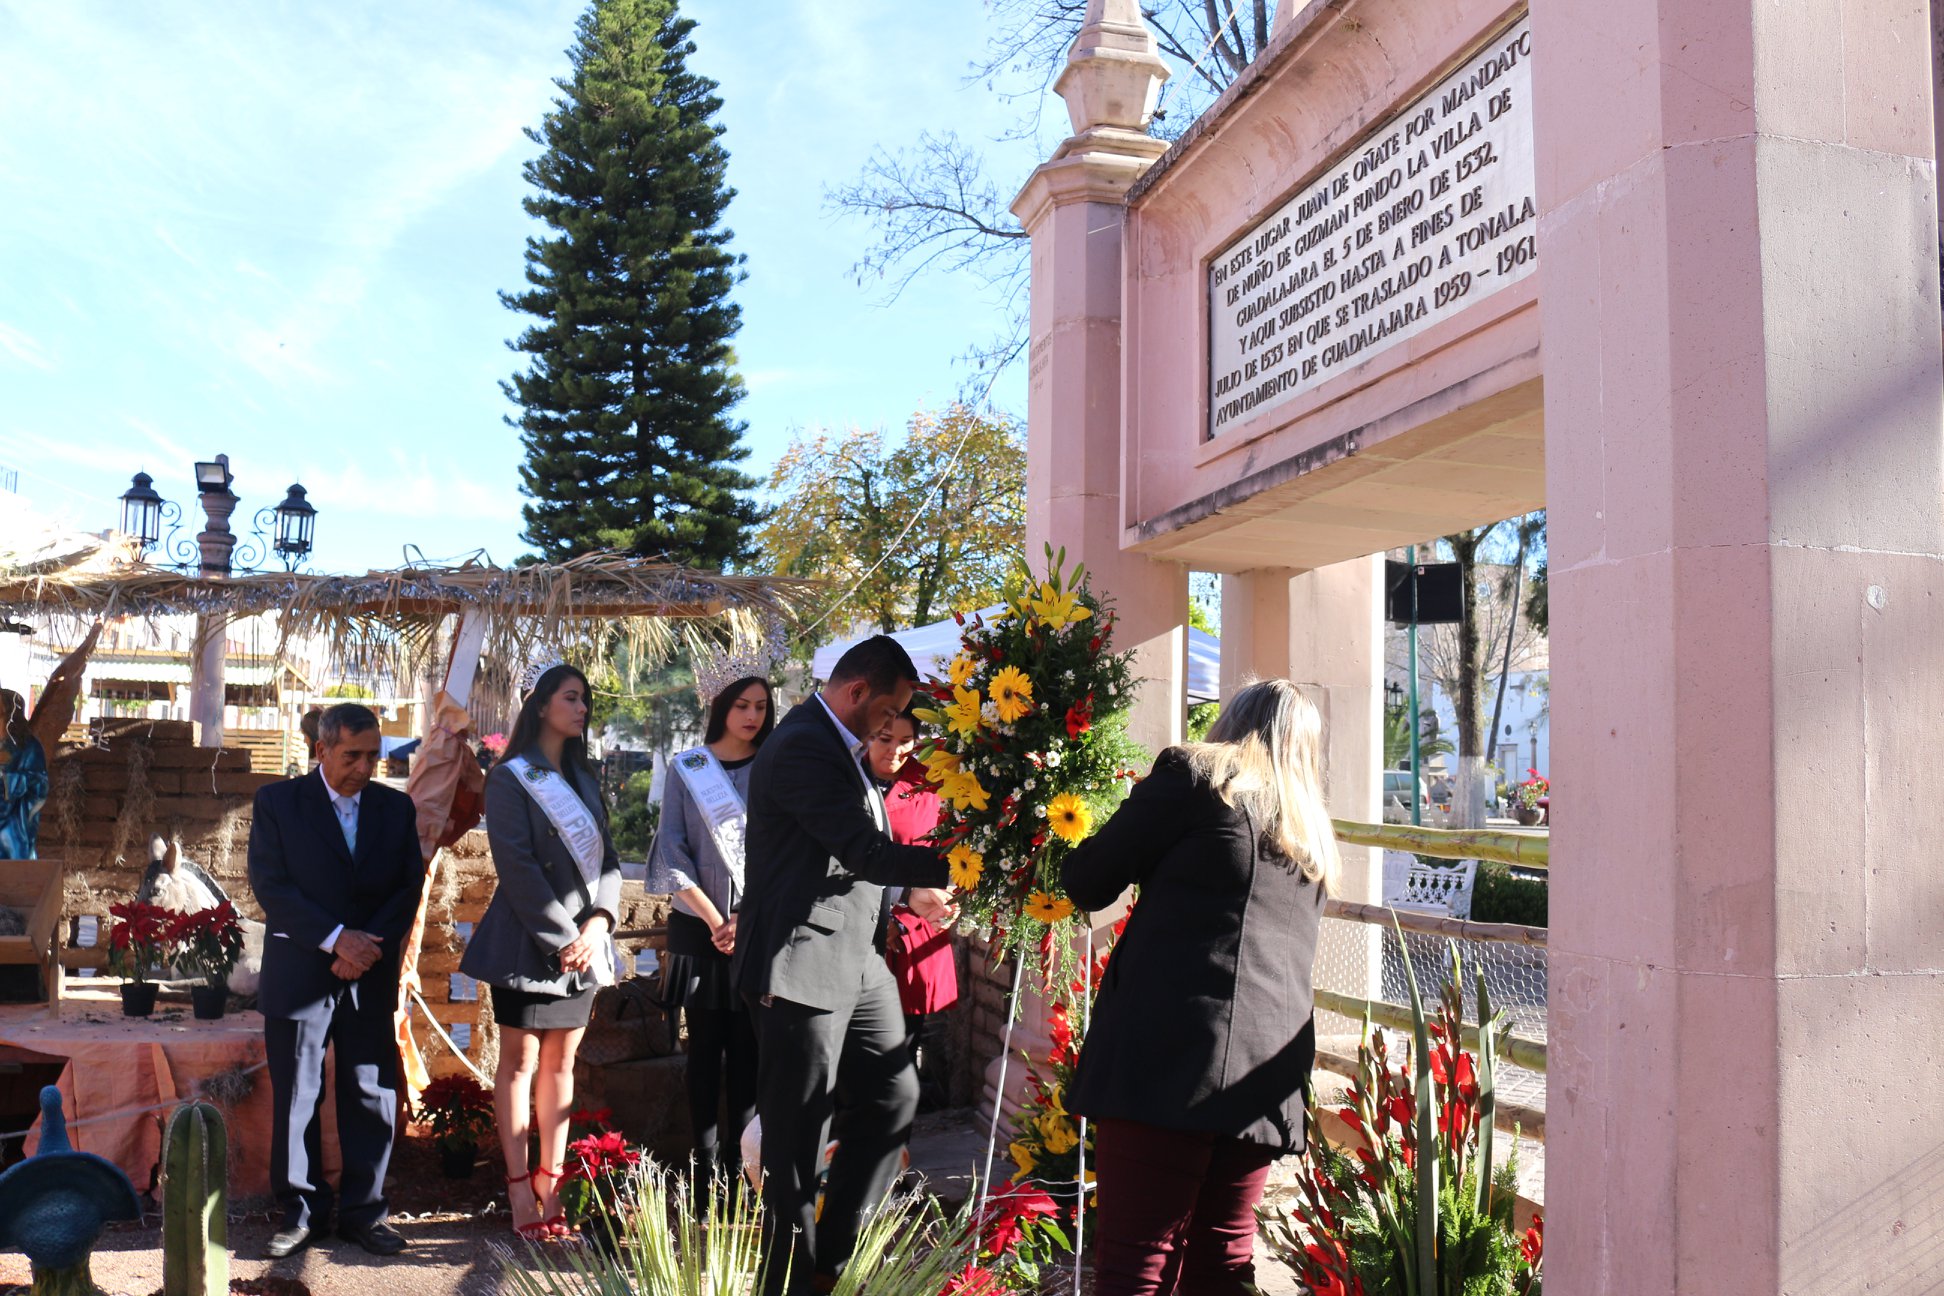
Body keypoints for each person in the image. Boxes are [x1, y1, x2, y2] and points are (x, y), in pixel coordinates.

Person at [1060, 679, 1342, 1296]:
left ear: (1229, 723)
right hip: (1264, 1071)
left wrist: (1058, 828)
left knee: (1137, 1264)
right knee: (1221, 1266)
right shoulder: (1310, 830)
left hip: (1172, 1059)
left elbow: (1090, 880)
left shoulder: (1197, 775)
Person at [732, 636, 957, 1296]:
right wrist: (974, 862)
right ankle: (790, 1285)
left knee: (894, 1096)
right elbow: (866, 852)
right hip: (796, 965)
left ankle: (827, 1264)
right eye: (889, 711)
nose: (892, 727)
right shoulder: (805, 743)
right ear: (857, 693)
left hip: (855, 960)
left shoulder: (841, 746)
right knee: (795, 1149)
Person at [247, 702, 428, 1259]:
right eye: (352, 755)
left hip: (367, 972)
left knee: (370, 1092)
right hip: (302, 969)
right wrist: (334, 939)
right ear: (321, 750)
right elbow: (271, 885)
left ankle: (364, 1212)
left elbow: (407, 886)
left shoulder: (396, 809)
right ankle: (302, 1211)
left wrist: (363, 947)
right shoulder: (278, 803)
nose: (364, 767)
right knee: (299, 1094)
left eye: (373, 755)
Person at [460, 663, 621, 1242]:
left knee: (560, 1066)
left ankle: (551, 1187)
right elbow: (518, 867)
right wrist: (566, 938)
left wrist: (600, 923)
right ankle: (517, 1188)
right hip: (532, 943)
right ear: (541, 705)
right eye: (571, 698)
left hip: (586, 946)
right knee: (520, 1065)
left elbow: (609, 861)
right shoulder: (509, 777)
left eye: (585, 699)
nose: (582, 708)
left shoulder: (586, 774)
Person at [646, 673, 773, 1198]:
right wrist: (715, 919)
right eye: (741, 705)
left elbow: (782, 849)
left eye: (762, 706)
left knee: (749, 1057)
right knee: (702, 1055)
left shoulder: (775, 766)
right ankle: (704, 1177)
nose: (752, 716)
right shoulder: (688, 767)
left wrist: (746, 917)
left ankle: (746, 1176)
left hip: (757, 928)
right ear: (721, 707)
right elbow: (671, 849)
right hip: (700, 931)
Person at [864, 707, 958, 1113]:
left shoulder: (930, 782)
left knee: (899, 1058)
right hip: (857, 927)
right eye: (885, 739)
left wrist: (948, 891)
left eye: (905, 741)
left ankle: (892, 1163)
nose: (895, 751)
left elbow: (952, 852)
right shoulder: (845, 778)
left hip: (910, 933)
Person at [0, 690, 49, 861]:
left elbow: (40, 783)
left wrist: (9, 779)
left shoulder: (29, 747)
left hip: (14, 822)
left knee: (13, 866)